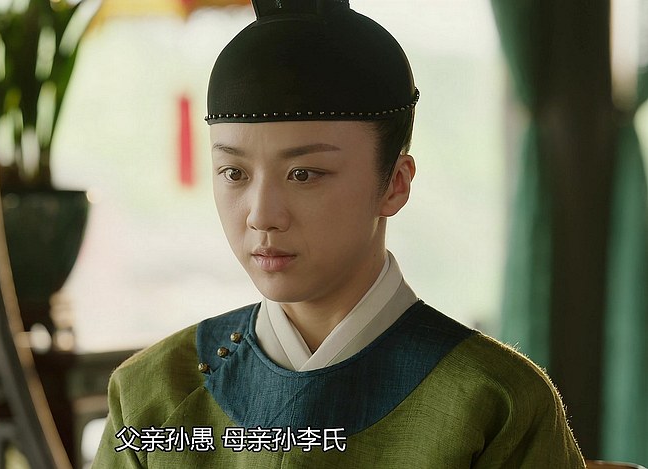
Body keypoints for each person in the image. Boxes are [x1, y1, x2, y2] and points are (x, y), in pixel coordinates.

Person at [92, 0, 585, 467]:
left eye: (303, 174)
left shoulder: (494, 401)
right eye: (234, 173)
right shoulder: (152, 391)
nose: (262, 215)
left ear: (395, 184)